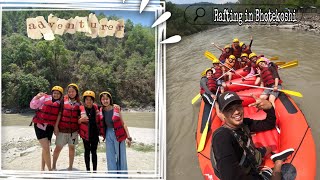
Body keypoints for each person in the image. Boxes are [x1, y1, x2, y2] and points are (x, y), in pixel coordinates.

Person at [211, 91, 295, 180]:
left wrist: (269, 108)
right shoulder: (222, 138)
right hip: (244, 168)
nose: (236, 112)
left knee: (269, 149)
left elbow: (269, 124)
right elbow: (230, 176)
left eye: (238, 107)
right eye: (230, 110)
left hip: (250, 154)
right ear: (222, 114)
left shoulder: (244, 123)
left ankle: (274, 158)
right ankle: (278, 162)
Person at [30, 86, 63, 171]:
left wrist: (56, 128)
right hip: (39, 125)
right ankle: (50, 170)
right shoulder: (44, 98)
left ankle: (42, 169)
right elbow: (32, 106)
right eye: (54, 93)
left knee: (45, 148)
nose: (56, 95)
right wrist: (37, 97)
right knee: (46, 148)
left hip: (49, 127)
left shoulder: (60, 103)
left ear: (60, 95)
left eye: (58, 94)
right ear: (52, 93)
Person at [99, 91, 132, 174]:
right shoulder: (101, 110)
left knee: (121, 156)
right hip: (108, 133)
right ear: (101, 101)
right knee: (110, 156)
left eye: (107, 99)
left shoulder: (116, 108)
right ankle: (112, 175)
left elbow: (123, 123)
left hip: (118, 133)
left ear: (110, 99)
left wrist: (128, 137)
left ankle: (122, 175)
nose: (105, 101)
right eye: (103, 99)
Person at [52, 83, 81, 171]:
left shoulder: (79, 103)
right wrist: (56, 127)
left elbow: (80, 117)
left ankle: (70, 166)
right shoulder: (63, 101)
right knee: (58, 148)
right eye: (69, 91)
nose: (71, 93)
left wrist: (80, 130)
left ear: (76, 92)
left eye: (73, 91)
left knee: (72, 148)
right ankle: (53, 166)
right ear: (67, 92)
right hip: (62, 130)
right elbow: (60, 114)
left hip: (73, 131)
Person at [78, 90, 103, 172]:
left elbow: (107, 106)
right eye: (87, 99)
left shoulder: (96, 108)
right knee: (87, 152)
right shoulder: (80, 109)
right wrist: (80, 120)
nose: (88, 101)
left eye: (90, 99)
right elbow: (76, 121)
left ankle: (95, 171)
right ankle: (88, 170)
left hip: (94, 134)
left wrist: (116, 106)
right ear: (84, 100)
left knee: (94, 152)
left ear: (93, 100)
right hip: (86, 135)